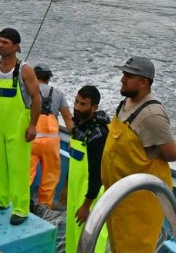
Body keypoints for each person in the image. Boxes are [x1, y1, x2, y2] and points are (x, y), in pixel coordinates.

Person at [101, 56, 176, 253]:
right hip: (119, 197)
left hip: (138, 203)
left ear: (144, 82)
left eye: (129, 76)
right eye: (123, 74)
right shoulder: (127, 102)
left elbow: (172, 154)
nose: (122, 79)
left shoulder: (152, 115)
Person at [0, 27, 42, 226]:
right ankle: (0, 199)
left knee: (18, 167)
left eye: (5, 42)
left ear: (16, 46)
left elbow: (37, 98)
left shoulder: (24, 70)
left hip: (18, 124)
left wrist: (33, 125)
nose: (0, 45)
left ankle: (20, 208)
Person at [64, 85, 110, 253]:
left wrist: (86, 205)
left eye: (83, 104)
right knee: (72, 233)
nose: (77, 107)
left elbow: (97, 174)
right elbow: (73, 161)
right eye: (76, 101)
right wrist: (66, 187)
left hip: (90, 195)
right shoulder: (79, 127)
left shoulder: (98, 134)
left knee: (91, 238)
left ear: (94, 107)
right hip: (75, 191)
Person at [29, 62, 74, 209]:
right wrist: (75, 138)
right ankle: (45, 207)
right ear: (48, 78)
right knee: (50, 176)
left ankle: (20, 203)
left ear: (33, 76)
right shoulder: (58, 93)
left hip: (31, 138)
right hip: (52, 141)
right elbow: (68, 118)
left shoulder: (27, 90)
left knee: (25, 174)